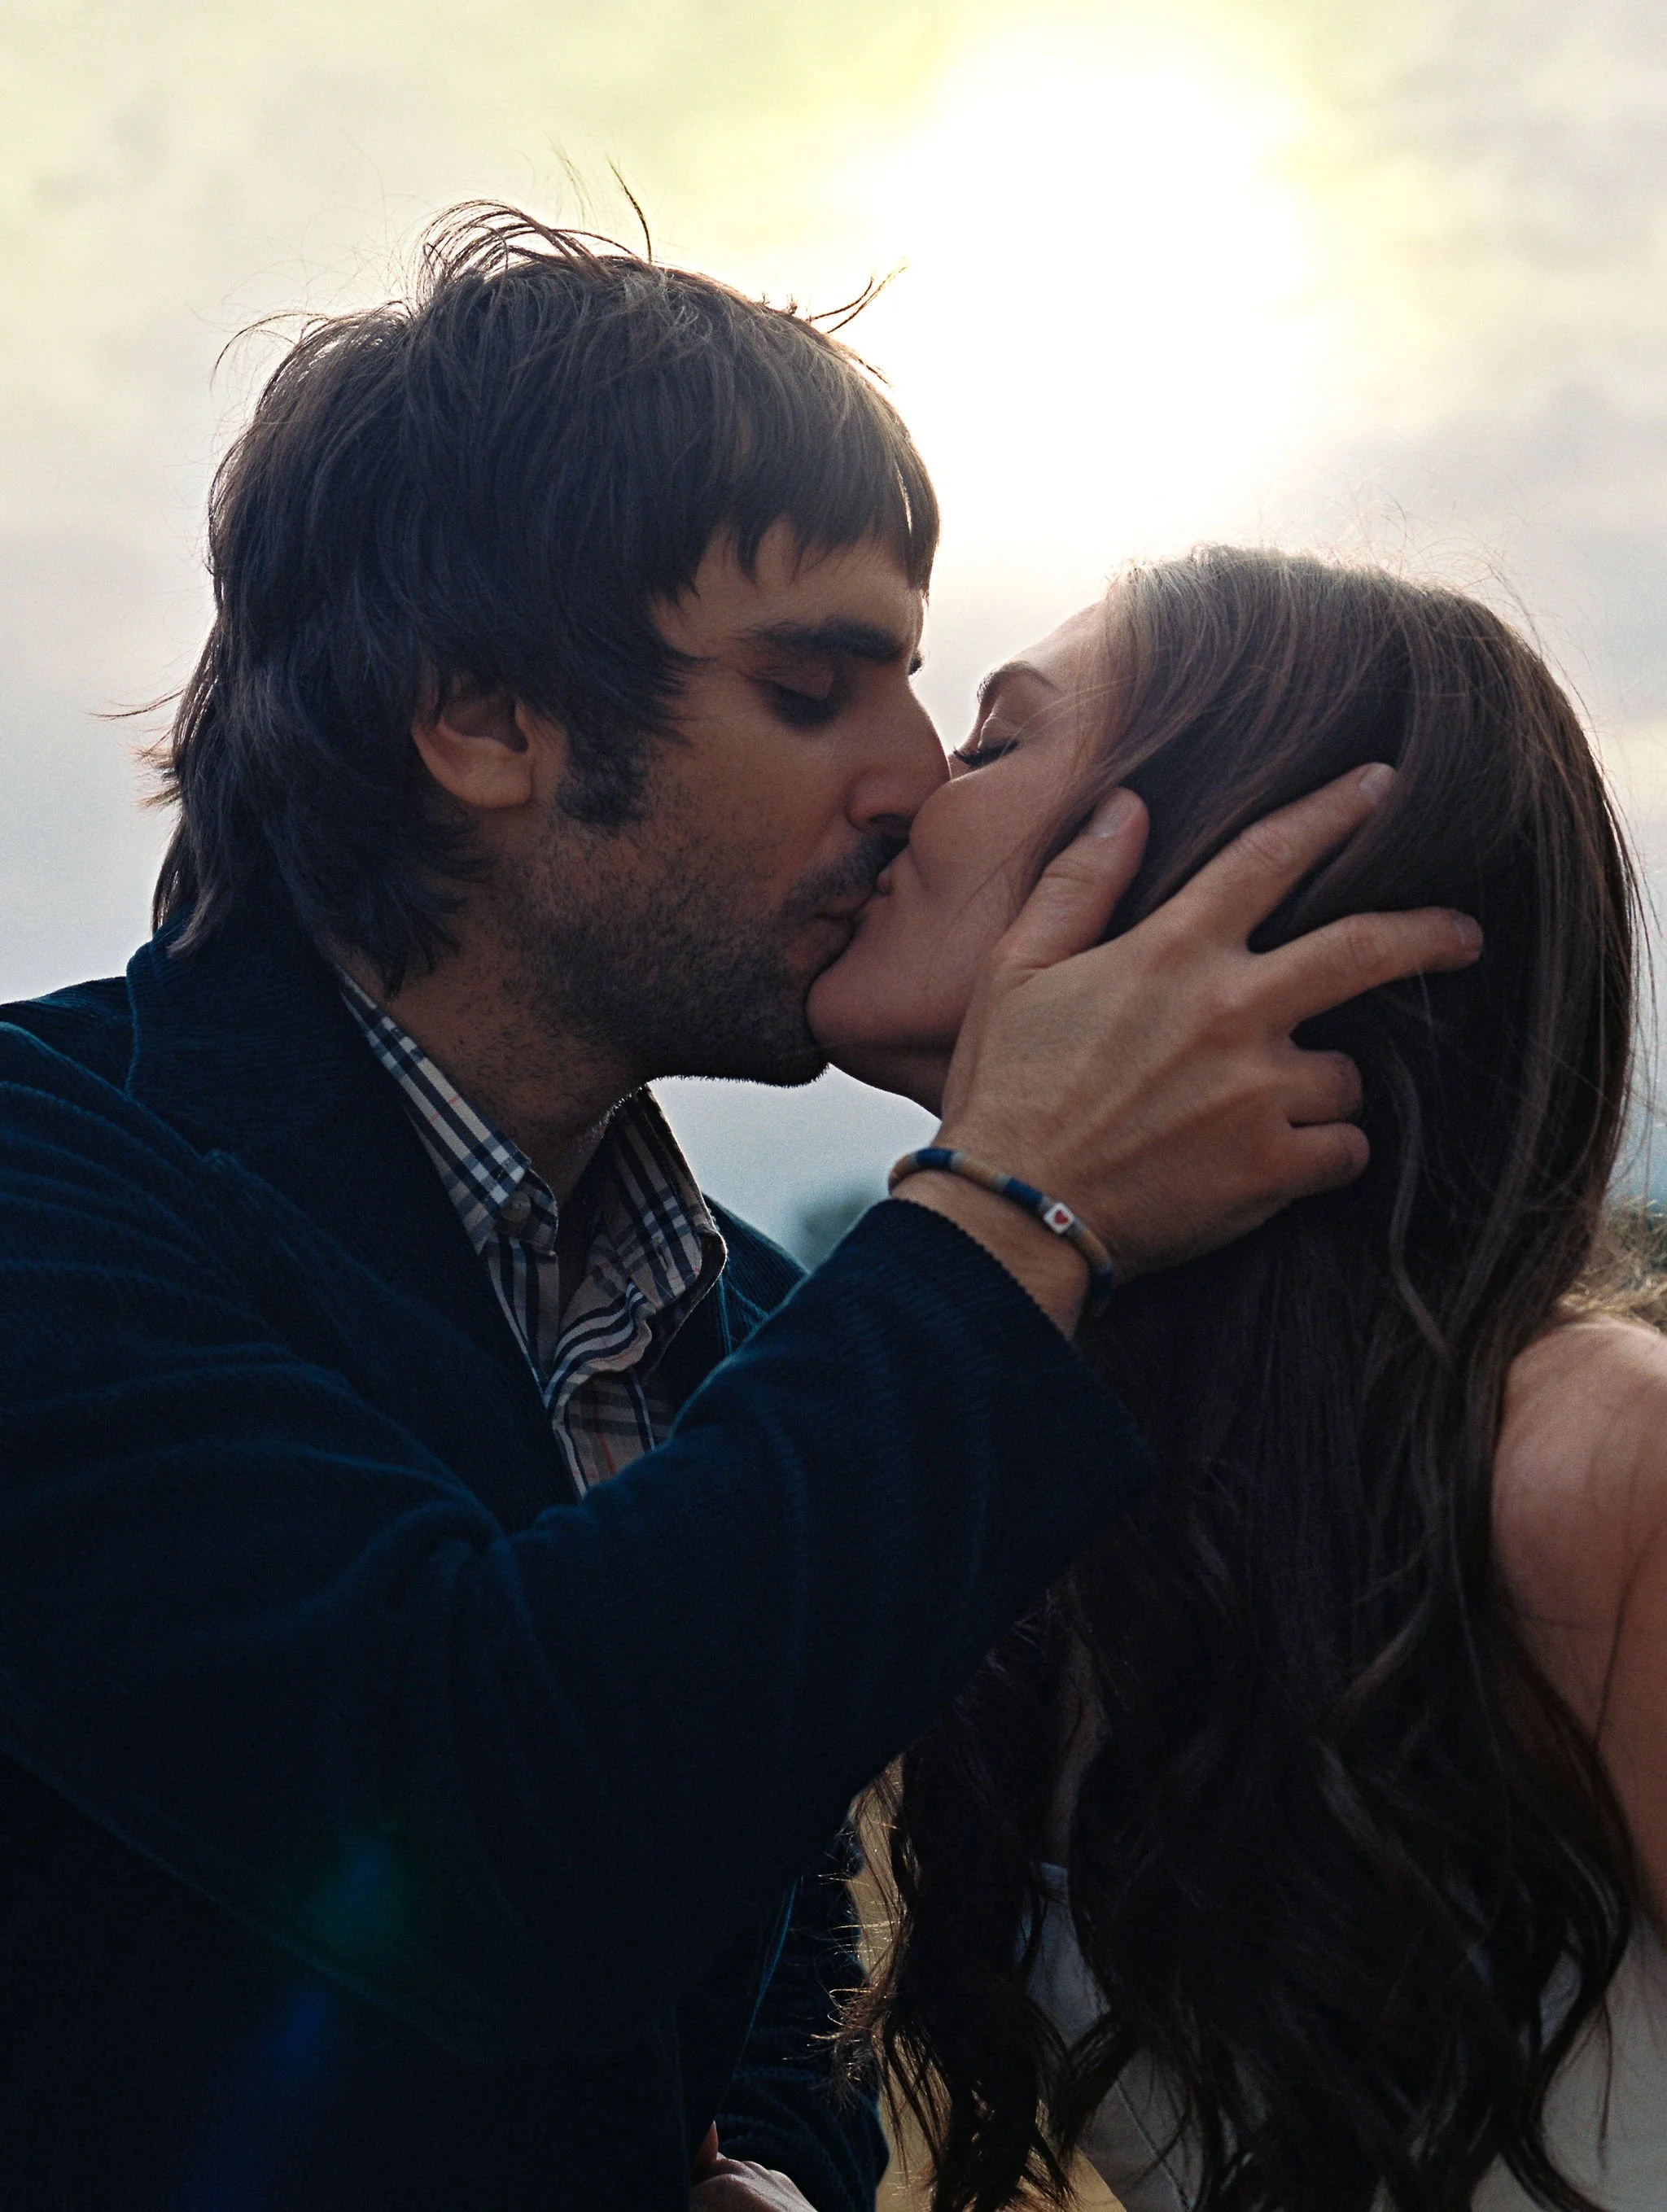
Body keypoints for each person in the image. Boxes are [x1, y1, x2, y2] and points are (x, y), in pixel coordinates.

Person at [0, 210, 1477, 2212]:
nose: (910, 775)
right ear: (485, 720)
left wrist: (776, 2162)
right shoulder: (53, 1172)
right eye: (813, 684)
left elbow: (779, 1930)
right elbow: (474, 1820)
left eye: (920, 683)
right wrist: (1017, 1200)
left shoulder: (755, 1310)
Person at [813, 544, 1667, 2212]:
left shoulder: (1583, 1470)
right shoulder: (1055, 1501)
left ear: (1232, 872)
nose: (909, 793)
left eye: (991, 744)